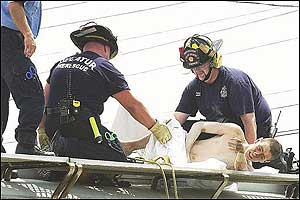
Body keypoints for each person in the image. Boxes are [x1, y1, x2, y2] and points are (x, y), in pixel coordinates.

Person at [38, 21, 172, 162]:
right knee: (118, 159)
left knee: (112, 147)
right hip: (83, 136)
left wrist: (42, 130)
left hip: (55, 135)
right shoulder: (103, 66)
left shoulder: (59, 64)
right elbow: (132, 106)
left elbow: (43, 100)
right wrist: (155, 127)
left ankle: (130, 146)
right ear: (106, 47)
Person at [175, 34, 273, 146]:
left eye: (201, 66)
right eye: (193, 68)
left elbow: (249, 121)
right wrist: (158, 128)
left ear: (213, 61)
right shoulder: (193, 88)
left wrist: (248, 152)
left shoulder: (235, 82)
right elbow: (177, 119)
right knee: (180, 129)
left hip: (255, 130)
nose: (197, 71)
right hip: (223, 130)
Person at [122, 120, 283, 171]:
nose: (257, 154)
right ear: (258, 140)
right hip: (181, 150)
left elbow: (240, 168)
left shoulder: (246, 169)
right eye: (260, 149)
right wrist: (185, 151)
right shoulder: (236, 132)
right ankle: (130, 146)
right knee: (170, 123)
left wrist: (241, 152)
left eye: (262, 157)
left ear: (263, 162)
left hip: (181, 167)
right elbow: (199, 126)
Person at [1, 1, 52, 155]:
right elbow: (14, 5)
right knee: (33, 96)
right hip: (10, 40)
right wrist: (28, 34)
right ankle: (26, 144)